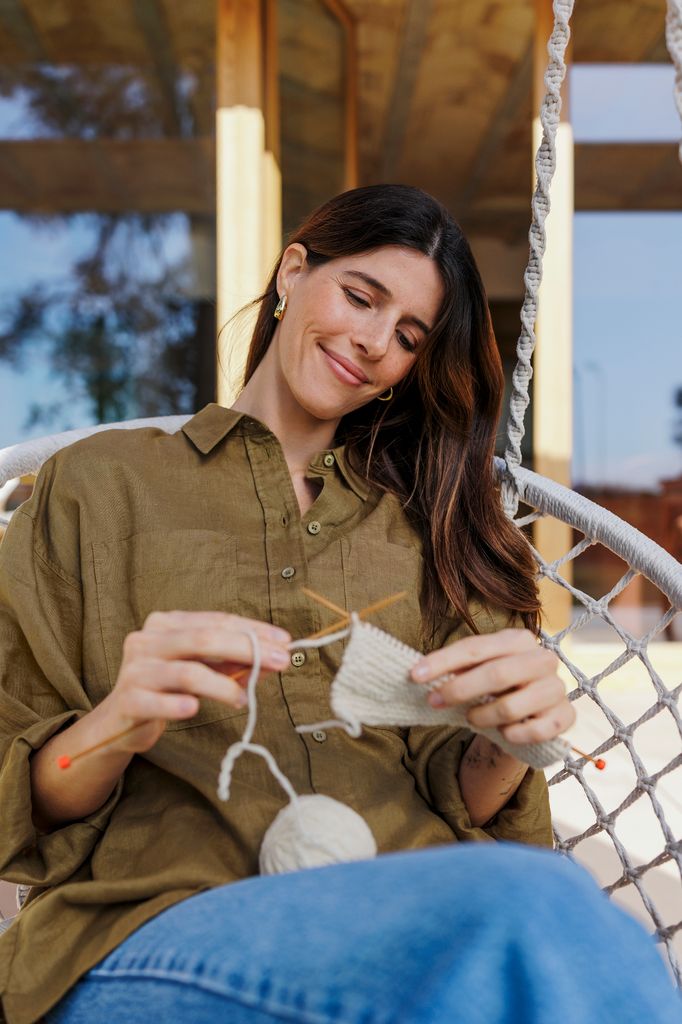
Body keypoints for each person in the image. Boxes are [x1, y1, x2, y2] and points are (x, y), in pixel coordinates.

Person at [0, 184, 679, 1024]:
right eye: (361, 297)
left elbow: (468, 802)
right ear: (293, 272)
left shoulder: (436, 524)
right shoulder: (97, 488)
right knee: (535, 916)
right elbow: (25, 795)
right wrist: (117, 724)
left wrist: (508, 741)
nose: (372, 344)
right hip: (157, 932)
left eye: (407, 337)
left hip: (416, 923)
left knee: (537, 916)